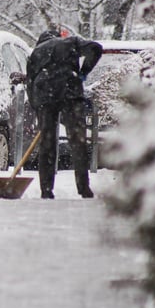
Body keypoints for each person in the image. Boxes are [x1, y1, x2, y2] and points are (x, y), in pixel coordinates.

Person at [26, 29, 102, 199]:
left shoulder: (36, 52)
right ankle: (84, 188)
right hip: (70, 90)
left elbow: (29, 83)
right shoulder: (70, 42)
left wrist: (36, 107)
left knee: (47, 143)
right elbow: (96, 48)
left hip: (45, 94)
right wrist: (83, 72)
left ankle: (46, 190)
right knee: (77, 141)